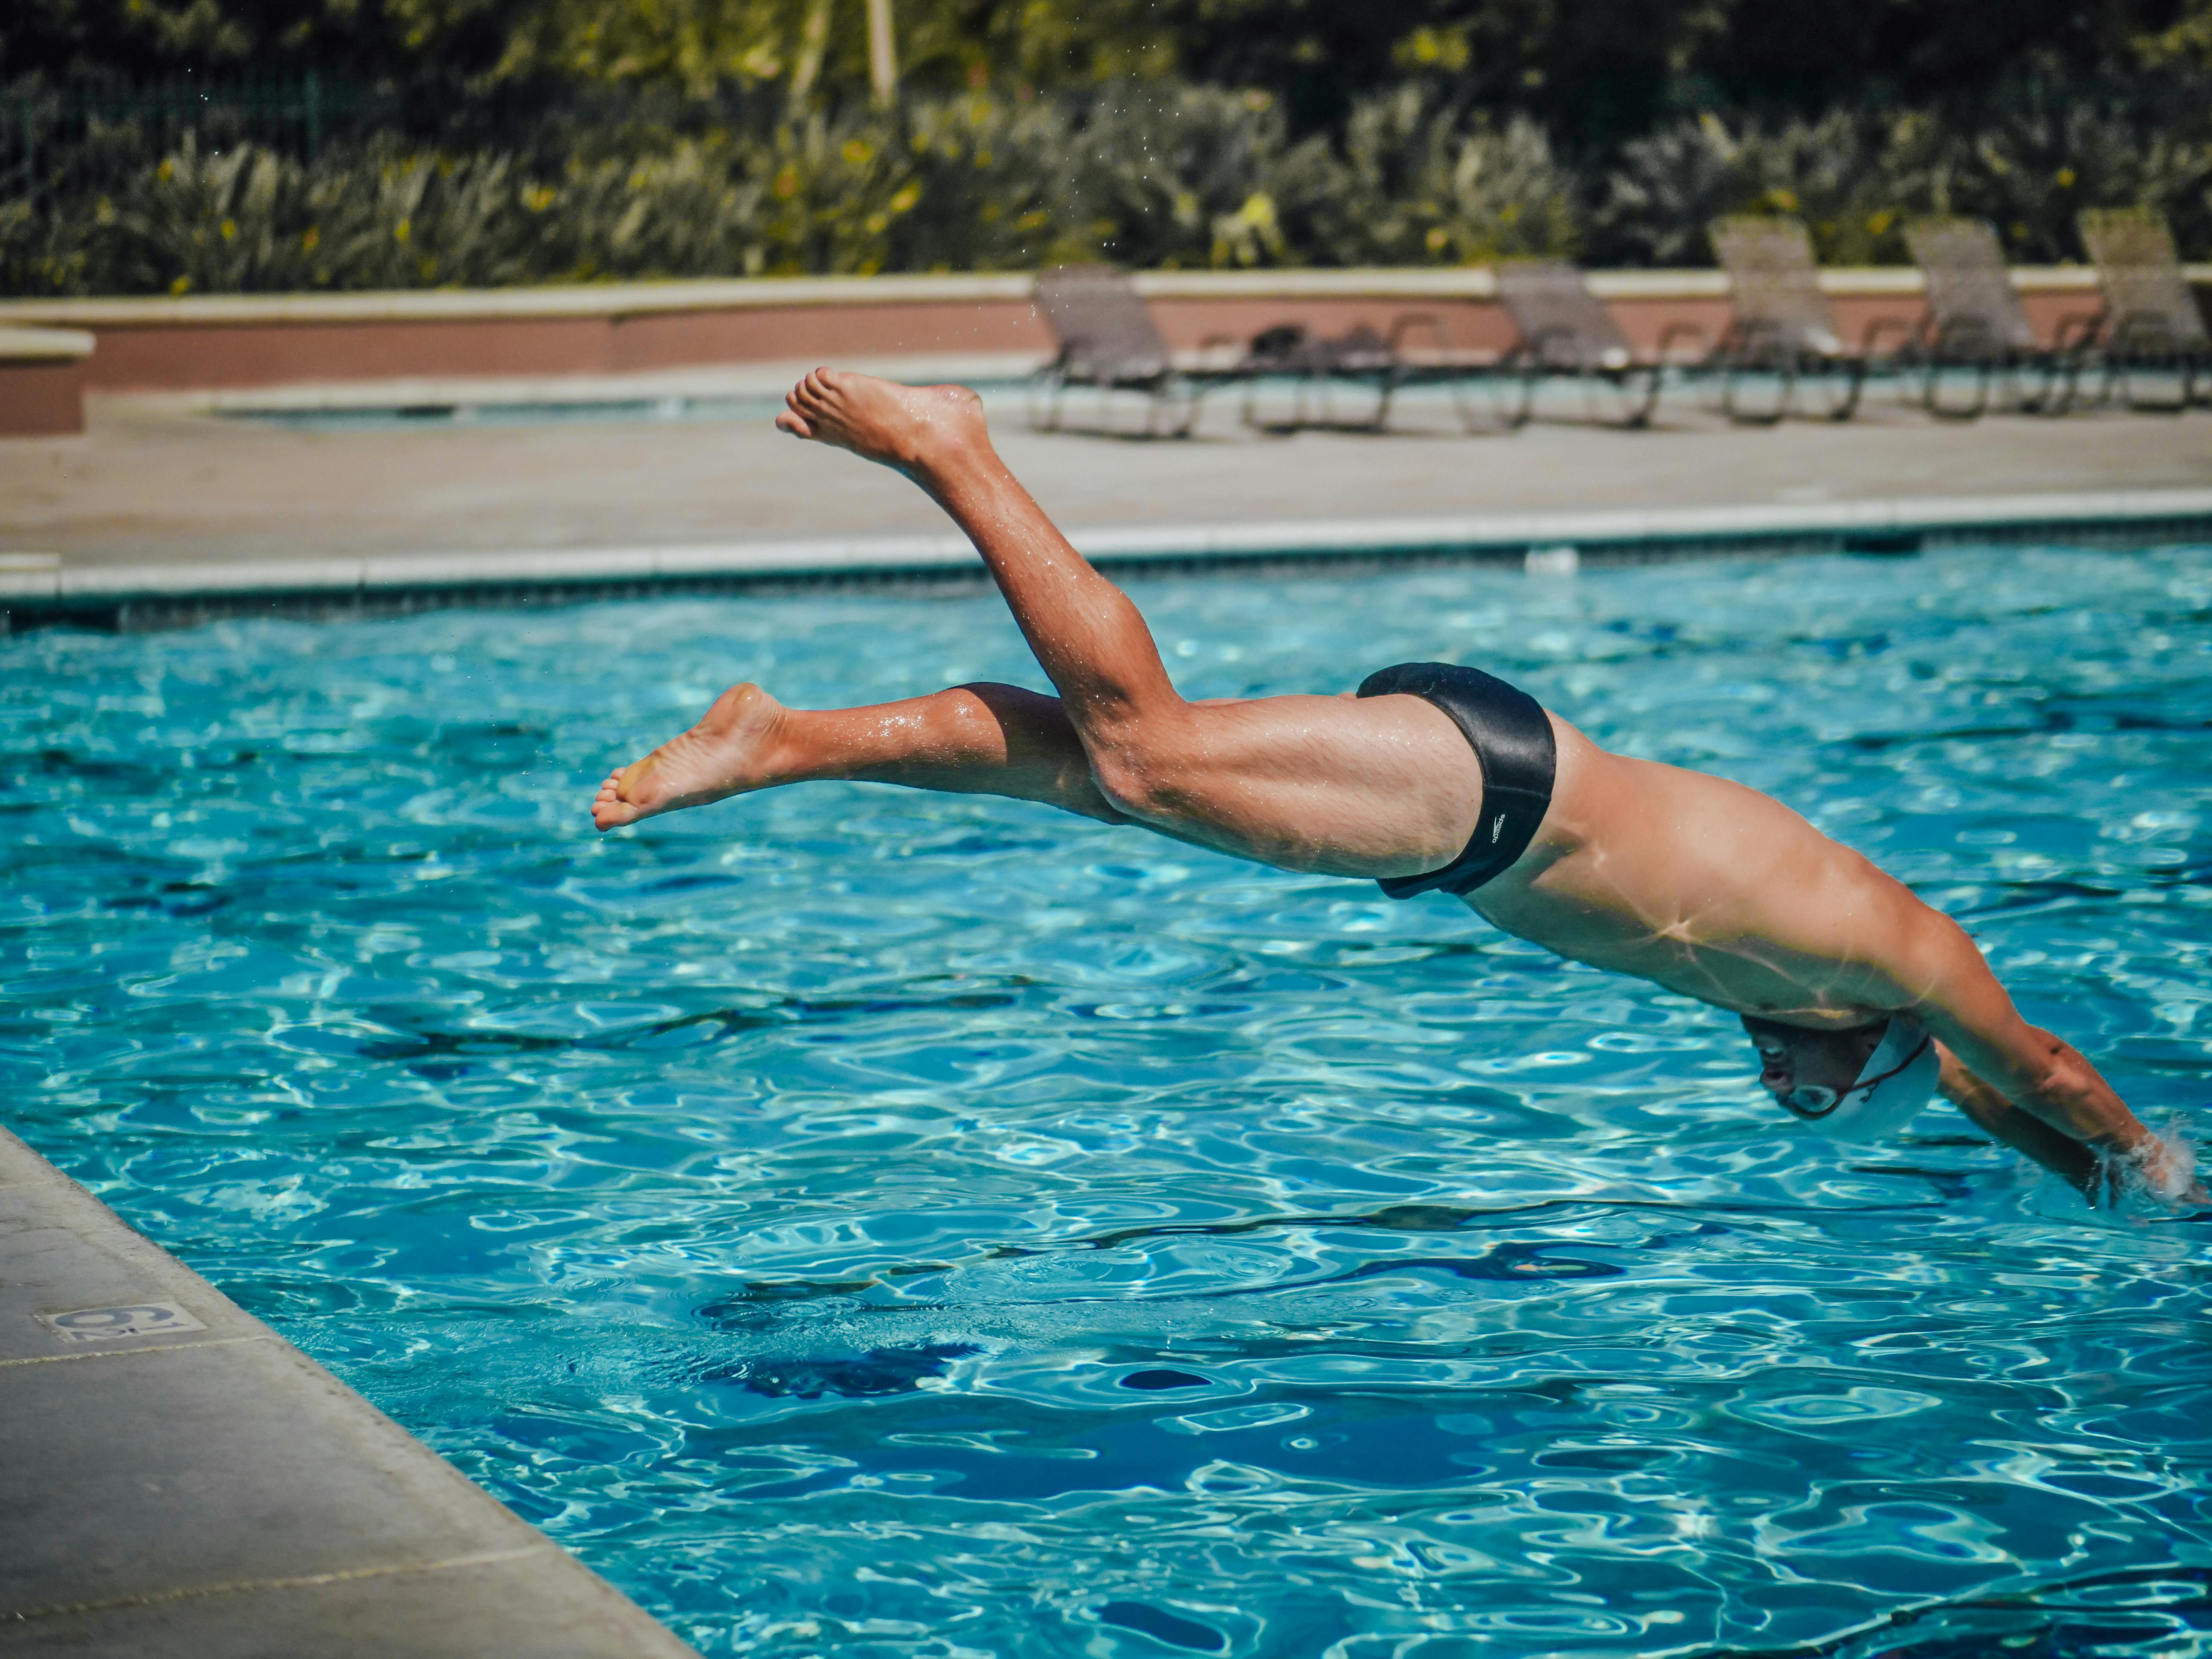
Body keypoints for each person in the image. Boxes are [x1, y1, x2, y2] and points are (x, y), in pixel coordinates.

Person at [593, 370, 2196, 1206]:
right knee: (1145, 750)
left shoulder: (1812, 994)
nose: (1781, 1088)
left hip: (1464, 817)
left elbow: (1991, 1103)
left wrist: (2078, 1189)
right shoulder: (1891, 954)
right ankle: (951, 450)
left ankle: (783, 739)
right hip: (1503, 791)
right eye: (1816, 1095)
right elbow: (2032, 1060)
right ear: (1876, 1044)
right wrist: (2154, 1168)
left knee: (1100, 780)